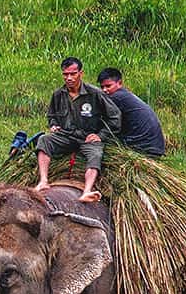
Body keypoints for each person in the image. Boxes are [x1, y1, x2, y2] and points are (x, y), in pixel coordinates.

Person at [22, 56, 121, 203]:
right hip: (67, 136)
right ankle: (43, 181)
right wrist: (53, 125)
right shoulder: (58, 95)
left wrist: (100, 135)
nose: (69, 78)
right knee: (44, 140)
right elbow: (52, 115)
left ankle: (87, 190)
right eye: (65, 74)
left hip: (87, 138)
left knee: (95, 154)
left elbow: (115, 117)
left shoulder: (94, 94)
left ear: (81, 73)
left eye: (73, 74)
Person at [96, 67, 165, 157]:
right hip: (156, 147)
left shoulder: (116, 97)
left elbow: (99, 119)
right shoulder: (125, 95)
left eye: (108, 86)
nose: (105, 90)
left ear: (120, 83)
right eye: (102, 87)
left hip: (144, 148)